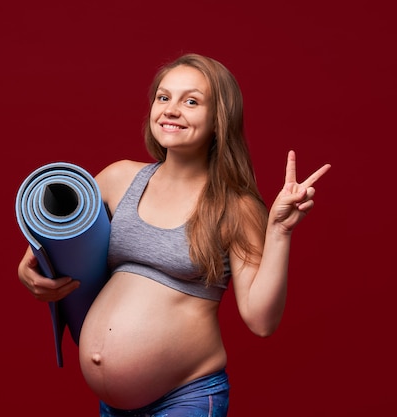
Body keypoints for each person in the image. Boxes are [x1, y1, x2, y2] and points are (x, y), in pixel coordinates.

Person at [17, 53, 331, 417]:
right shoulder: (118, 179)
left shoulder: (235, 207)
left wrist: (278, 231)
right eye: (163, 97)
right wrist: (29, 273)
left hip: (187, 398)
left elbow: (261, 322)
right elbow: (50, 249)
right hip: (114, 407)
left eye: (191, 101)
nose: (171, 109)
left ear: (219, 121)